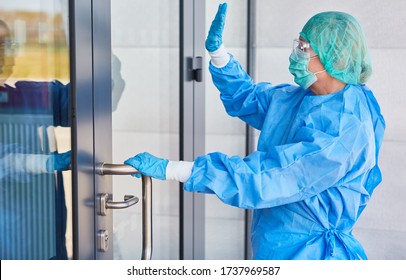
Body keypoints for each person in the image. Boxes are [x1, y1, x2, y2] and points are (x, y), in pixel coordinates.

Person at [124, 3, 385, 260]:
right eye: (298, 45)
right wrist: (219, 54)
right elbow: (249, 98)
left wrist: (173, 169)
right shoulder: (302, 98)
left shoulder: (344, 130)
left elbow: (271, 175)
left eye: (305, 48)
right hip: (280, 244)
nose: (296, 54)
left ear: (334, 57)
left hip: (312, 255)